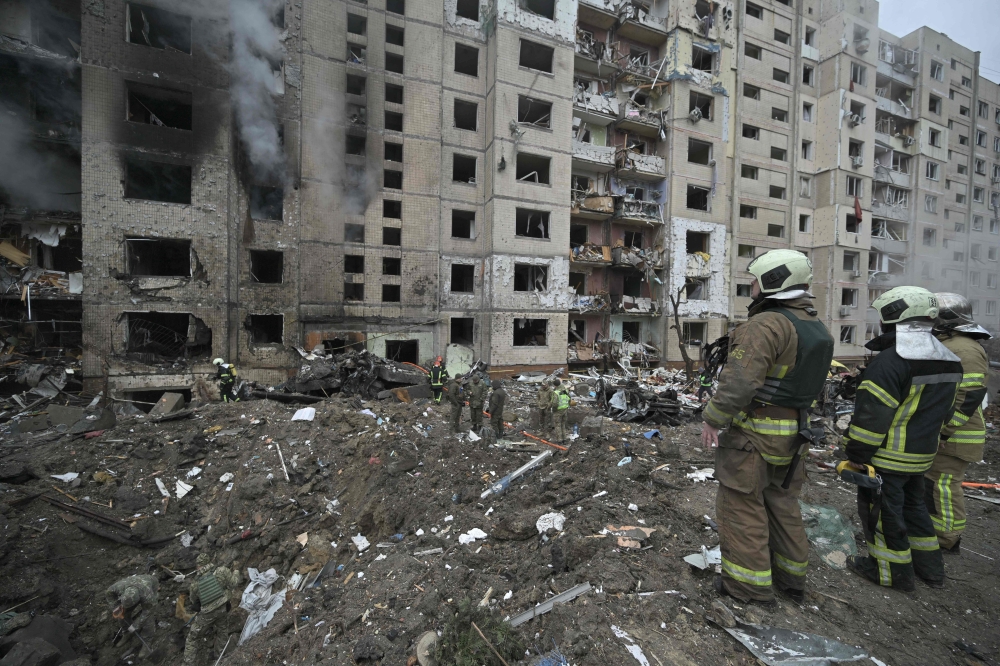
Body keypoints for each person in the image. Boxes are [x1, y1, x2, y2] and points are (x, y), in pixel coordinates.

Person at [701, 249, 833, 604]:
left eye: (756, 279)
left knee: (742, 504)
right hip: (794, 436)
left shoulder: (766, 324)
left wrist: (713, 419)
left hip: (754, 437)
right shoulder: (814, 326)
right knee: (782, 503)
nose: (752, 286)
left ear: (773, 281)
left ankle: (748, 587)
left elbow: (740, 381)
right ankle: (792, 579)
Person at [842, 286, 961, 590]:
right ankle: (930, 569)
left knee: (884, 516)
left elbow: (872, 418)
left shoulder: (891, 362)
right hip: (921, 457)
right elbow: (946, 412)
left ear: (893, 317)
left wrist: (856, 453)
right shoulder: (949, 359)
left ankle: (891, 573)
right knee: (916, 511)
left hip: (888, 458)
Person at [925, 293, 991, 554]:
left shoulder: (964, 348)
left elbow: (968, 396)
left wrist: (943, 430)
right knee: (934, 486)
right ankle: (937, 533)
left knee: (943, 487)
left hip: (955, 436)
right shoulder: (952, 343)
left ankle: (947, 539)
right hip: (949, 434)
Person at [183, 553, 241, 666]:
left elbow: (193, 600)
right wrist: (236, 571)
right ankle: (221, 658)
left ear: (198, 566)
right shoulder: (221, 571)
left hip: (206, 615)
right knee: (222, 631)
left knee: (192, 638)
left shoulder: (195, 583)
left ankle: (188, 664)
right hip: (223, 608)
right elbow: (234, 583)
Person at [106, 574, 159, 655]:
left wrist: (136, 625)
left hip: (151, 584)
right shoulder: (119, 587)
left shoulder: (147, 595)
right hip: (135, 584)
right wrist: (116, 607)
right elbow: (109, 593)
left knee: (148, 619)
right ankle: (127, 633)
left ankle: (147, 640)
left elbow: (148, 611)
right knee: (123, 613)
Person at [551, 379, 571, 443]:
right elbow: (569, 399)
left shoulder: (556, 392)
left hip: (558, 411)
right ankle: (564, 439)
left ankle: (559, 440)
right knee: (563, 425)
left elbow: (555, 403)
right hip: (565, 410)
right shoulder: (565, 391)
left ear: (555, 385)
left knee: (557, 425)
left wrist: (554, 410)